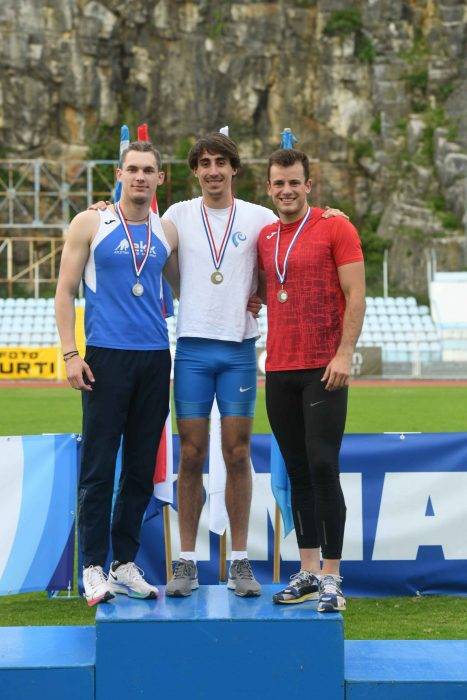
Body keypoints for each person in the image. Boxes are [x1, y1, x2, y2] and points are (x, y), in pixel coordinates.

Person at [91, 133, 346, 598]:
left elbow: (294, 238)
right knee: (190, 453)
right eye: (204, 163)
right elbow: (135, 225)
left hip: (238, 350)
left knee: (238, 453)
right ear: (195, 171)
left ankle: (239, 561)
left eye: (220, 163)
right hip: (191, 349)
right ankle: (186, 562)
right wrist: (103, 209)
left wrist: (332, 214)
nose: (213, 170)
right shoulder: (176, 215)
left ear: (234, 169)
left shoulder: (259, 217)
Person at [55, 141, 177, 606]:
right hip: (105, 357)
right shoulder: (91, 222)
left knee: (141, 468)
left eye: (149, 170)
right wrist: (71, 354)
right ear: (119, 174)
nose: (141, 177)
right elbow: (64, 291)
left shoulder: (167, 230)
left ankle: (124, 563)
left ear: (160, 178)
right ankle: (92, 566)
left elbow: (192, 284)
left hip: (154, 358)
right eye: (133, 169)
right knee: (99, 466)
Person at [257, 148, 365, 612]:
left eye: (294, 182)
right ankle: (307, 570)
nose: (286, 190)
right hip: (279, 369)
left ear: (308, 185)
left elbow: (356, 295)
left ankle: (333, 576)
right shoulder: (264, 236)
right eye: (278, 183)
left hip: (324, 368)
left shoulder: (336, 227)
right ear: (269, 188)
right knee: (297, 471)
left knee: (323, 466)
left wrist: (345, 353)